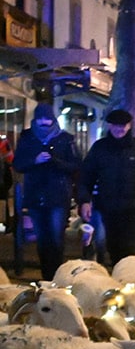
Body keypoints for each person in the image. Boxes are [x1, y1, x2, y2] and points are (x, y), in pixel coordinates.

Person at [77, 108, 135, 265]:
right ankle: (118, 276)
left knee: (128, 247)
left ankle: (126, 279)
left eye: (123, 125)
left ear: (129, 126)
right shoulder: (100, 148)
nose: (119, 129)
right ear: (109, 126)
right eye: (115, 125)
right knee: (112, 246)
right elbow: (87, 176)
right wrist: (84, 200)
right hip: (108, 206)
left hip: (133, 207)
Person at [12, 102, 80, 280]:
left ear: (53, 119)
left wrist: (56, 161)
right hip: (35, 195)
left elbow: (76, 165)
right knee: (42, 240)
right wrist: (35, 160)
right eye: (41, 118)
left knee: (56, 239)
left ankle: (57, 276)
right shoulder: (27, 137)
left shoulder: (65, 139)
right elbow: (18, 164)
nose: (44, 122)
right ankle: (46, 276)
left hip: (58, 195)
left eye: (47, 118)